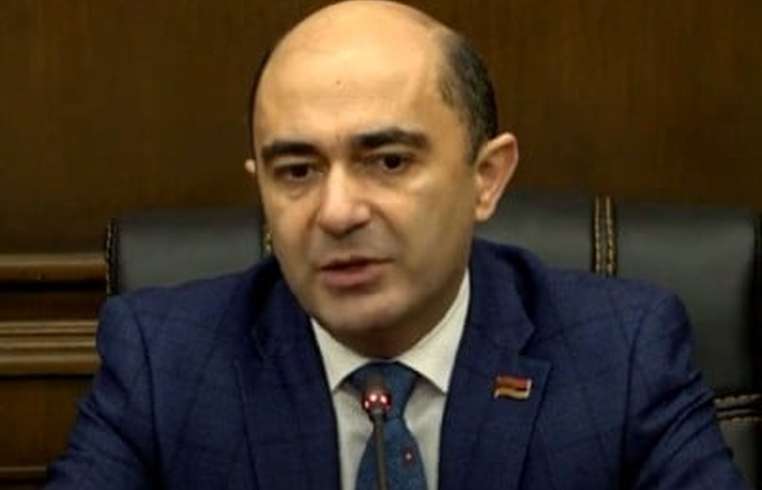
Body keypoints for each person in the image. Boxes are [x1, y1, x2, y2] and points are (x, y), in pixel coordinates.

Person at [46, 1, 749, 489]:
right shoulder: (164, 362)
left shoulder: (622, 352)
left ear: (485, 178)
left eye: (388, 162)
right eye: (297, 172)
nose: (337, 212)